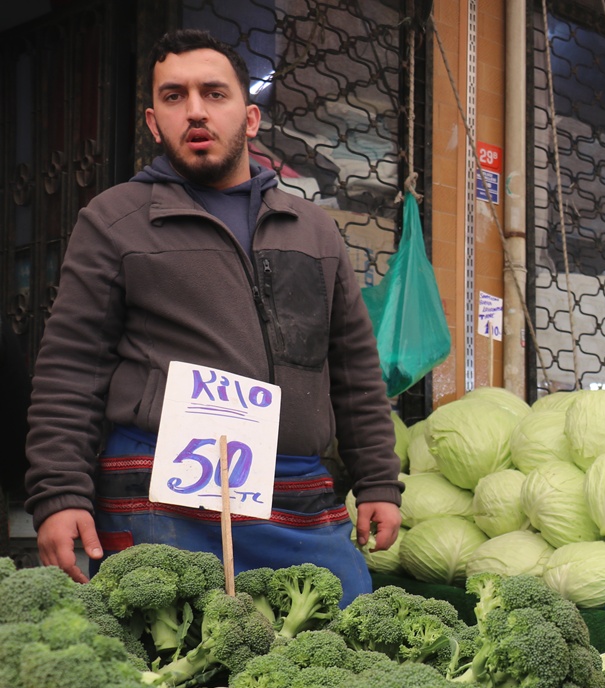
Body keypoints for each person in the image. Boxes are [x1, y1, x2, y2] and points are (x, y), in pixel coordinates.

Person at [24, 29, 401, 600]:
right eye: (174, 97)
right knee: (174, 671)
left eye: (214, 93)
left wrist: (378, 480)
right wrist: (60, 494)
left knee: (340, 644)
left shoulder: (316, 231)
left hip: (298, 490)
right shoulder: (113, 220)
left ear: (249, 119)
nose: (195, 110)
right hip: (158, 498)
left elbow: (353, 370)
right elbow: (70, 368)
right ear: (154, 123)